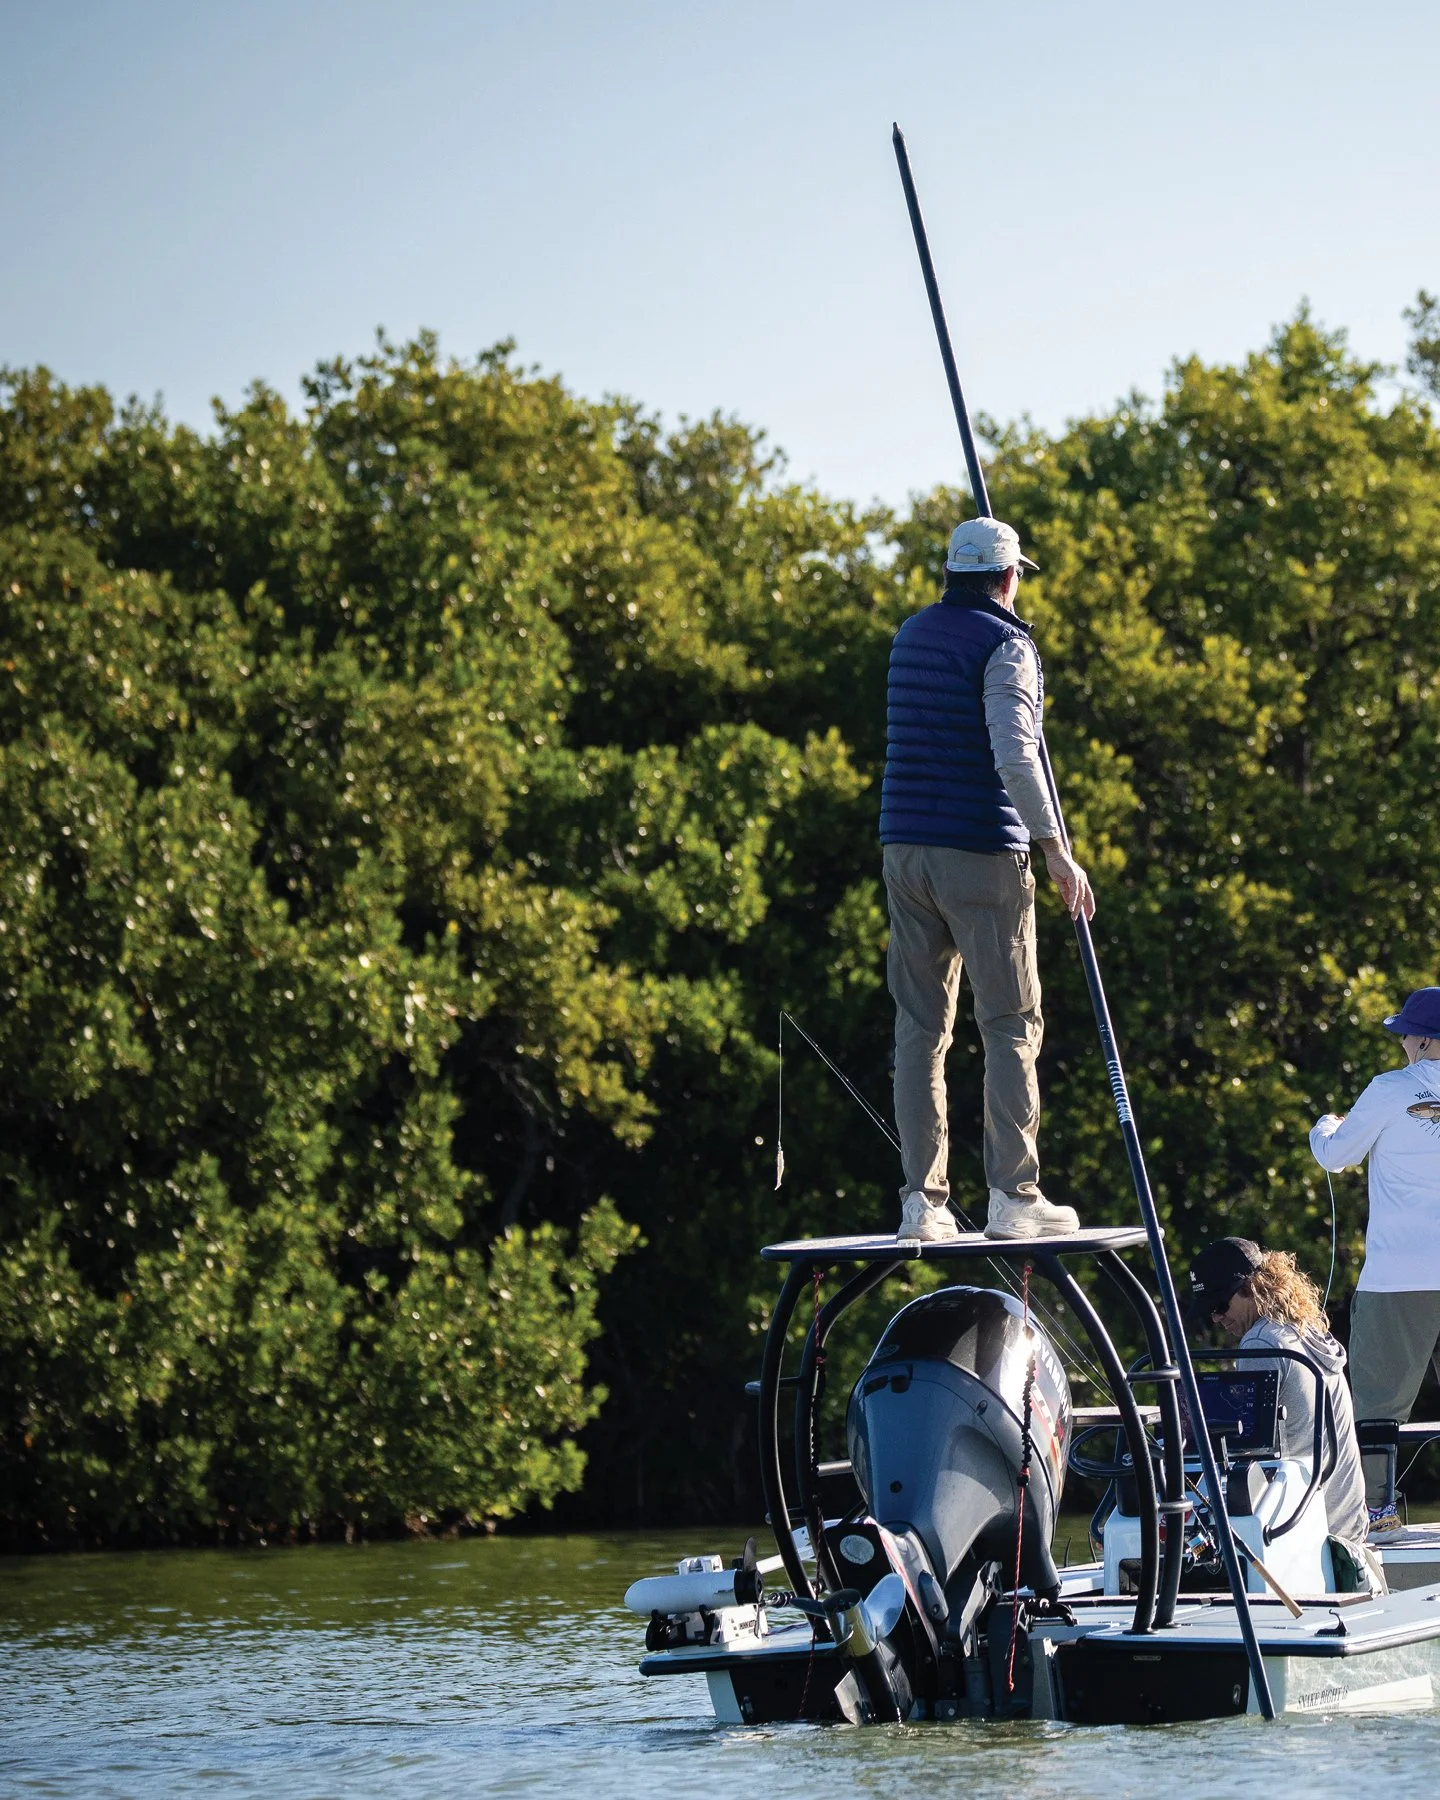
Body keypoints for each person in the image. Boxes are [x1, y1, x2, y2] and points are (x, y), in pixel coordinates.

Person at [879, 515, 1095, 1245]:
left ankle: (923, 1202)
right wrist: (1056, 850)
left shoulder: (910, 634)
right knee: (1010, 1024)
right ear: (1008, 578)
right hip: (982, 852)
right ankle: (1014, 1195)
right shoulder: (1010, 645)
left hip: (904, 851)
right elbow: (1014, 750)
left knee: (921, 1029)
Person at [1309, 985, 1440, 1535]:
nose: (1402, 1041)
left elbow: (1336, 1157)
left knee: (1379, 1403)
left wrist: (1325, 1123)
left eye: (1406, 1033)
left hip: (1397, 1277)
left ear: (1422, 1039)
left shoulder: (1390, 1090)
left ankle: (1378, 1515)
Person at [1187, 1235, 1382, 1591]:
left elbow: (1245, 1448)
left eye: (1219, 1304)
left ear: (1249, 1287)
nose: (1216, 1318)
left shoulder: (1261, 1342)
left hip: (1308, 1542)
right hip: (1348, 1535)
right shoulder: (1307, 1332)